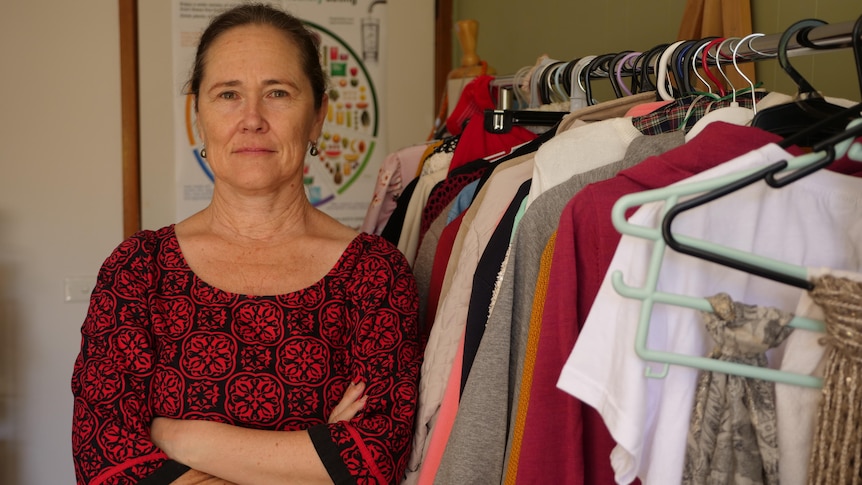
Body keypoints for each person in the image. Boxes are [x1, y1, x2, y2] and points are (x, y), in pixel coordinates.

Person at [70, 4, 421, 484]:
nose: (252, 118)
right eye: (228, 94)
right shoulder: (138, 270)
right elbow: (105, 462)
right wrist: (312, 458)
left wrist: (180, 437)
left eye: (278, 92)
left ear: (318, 115)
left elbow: (374, 461)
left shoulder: (375, 274)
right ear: (199, 118)